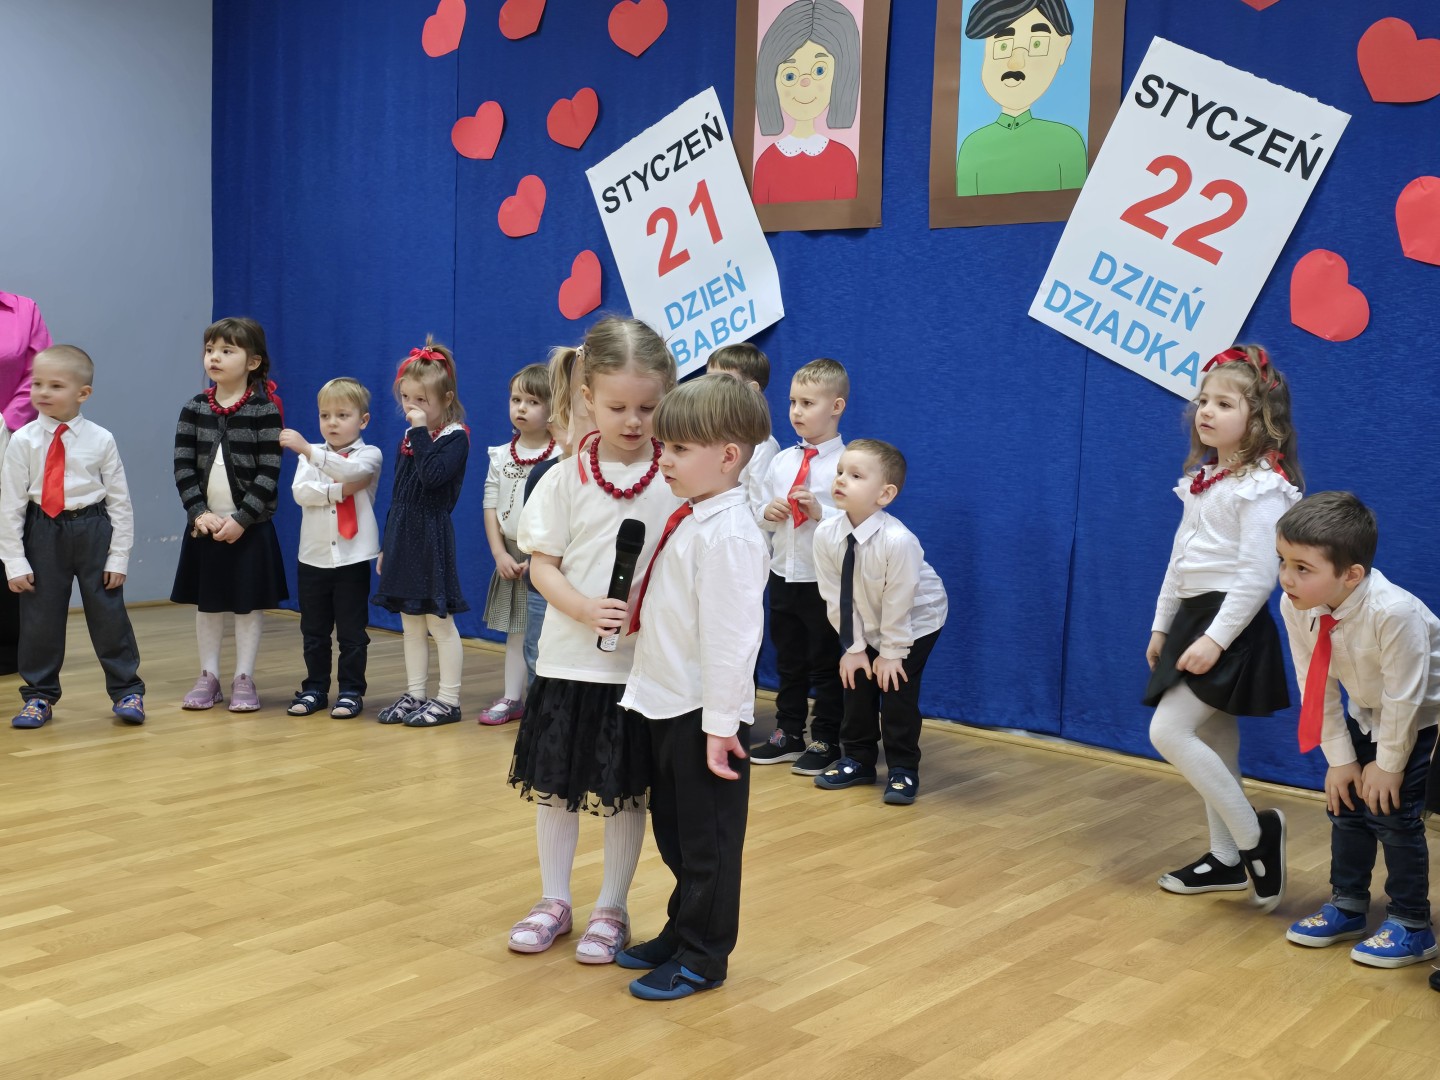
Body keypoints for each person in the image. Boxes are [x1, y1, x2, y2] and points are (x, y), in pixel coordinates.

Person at [507, 315, 681, 963]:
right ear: (587, 399)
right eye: (617, 407)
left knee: (623, 792)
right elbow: (542, 566)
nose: (633, 421)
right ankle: (554, 898)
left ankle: (612, 906)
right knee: (557, 786)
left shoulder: (675, 478)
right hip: (567, 661)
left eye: (647, 408)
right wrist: (582, 607)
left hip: (639, 671)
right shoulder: (564, 478)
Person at [615, 374, 771, 1000]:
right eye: (666, 447)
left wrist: (721, 728)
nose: (666, 460)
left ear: (728, 456)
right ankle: (683, 930)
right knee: (677, 833)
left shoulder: (731, 535)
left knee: (708, 842)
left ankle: (704, 956)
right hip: (667, 700)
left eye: (679, 449)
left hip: (704, 716)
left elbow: (732, 643)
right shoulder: (694, 518)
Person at [1144, 345, 1302, 913]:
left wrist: (1215, 639)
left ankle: (1256, 837)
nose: (1205, 411)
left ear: (1260, 419)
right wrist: (1163, 625)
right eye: (1203, 401)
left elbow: (1258, 575)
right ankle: (1226, 859)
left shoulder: (1263, 486)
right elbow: (1179, 561)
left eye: (1224, 403)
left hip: (1228, 623)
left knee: (1169, 732)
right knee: (1215, 741)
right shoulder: (1205, 480)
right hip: (1193, 617)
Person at [1276, 492, 1440, 971]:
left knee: (1392, 813)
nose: (1286, 577)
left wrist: (1387, 767)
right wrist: (1341, 759)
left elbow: (1405, 699)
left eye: (1302, 568)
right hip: (1368, 712)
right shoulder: (1298, 604)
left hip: (1422, 720)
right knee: (1345, 804)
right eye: (1282, 561)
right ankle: (1348, 905)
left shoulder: (1394, 612)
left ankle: (1412, 923)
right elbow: (1314, 683)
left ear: (1351, 574)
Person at [0, 345, 143, 728]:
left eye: (55, 385)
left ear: (83, 393)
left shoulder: (101, 439)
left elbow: (120, 502)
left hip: (93, 529)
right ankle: (39, 695)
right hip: (42, 531)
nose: (42, 392)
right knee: (40, 620)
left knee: (108, 616)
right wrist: (14, 561)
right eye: (37, 384)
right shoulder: (22, 440)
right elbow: (10, 505)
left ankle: (127, 690)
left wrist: (118, 556)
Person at [812, 440, 948, 805]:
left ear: (885, 494)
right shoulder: (826, 534)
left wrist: (891, 653)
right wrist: (854, 648)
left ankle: (903, 767)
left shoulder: (898, 541)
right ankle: (858, 759)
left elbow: (899, 603)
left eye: (856, 476)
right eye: (840, 471)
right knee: (856, 681)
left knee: (896, 690)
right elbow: (836, 596)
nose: (841, 479)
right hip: (866, 615)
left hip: (915, 621)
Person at [171, 317, 289, 711]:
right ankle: (208, 676)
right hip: (205, 526)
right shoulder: (193, 408)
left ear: (253, 362)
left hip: (249, 528)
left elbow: (269, 472)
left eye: (226, 350)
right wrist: (198, 513)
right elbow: (183, 467)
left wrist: (242, 519)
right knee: (208, 605)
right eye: (210, 350)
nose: (214, 358)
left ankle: (244, 677)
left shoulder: (264, 410)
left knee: (247, 606)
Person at [750, 358, 847, 776]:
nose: (796, 411)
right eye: (792, 402)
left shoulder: (847, 462)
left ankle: (826, 737)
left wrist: (822, 512)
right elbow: (759, 511)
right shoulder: (783, 461)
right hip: (782, 572)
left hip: (822, 579)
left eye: (808, 403)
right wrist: (766, 512)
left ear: (836, 407)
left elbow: (859, 522)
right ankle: (788, 733)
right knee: (787, 659)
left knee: (825, 662)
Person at [372, 339, 471, 728]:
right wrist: (387, 543)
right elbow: (398, 492)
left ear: (446, 399)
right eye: (406, 398)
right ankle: (415, 693)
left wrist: (418, 432)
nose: (411, 407)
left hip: (430, 536)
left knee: (438, 623)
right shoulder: (410, 437)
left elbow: (432, 477)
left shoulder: (455, 437)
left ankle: (449, 700)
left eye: (421, 400)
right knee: (410, 622)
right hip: (403, 533)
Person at [279, 378, 382, 719]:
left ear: (363, 420)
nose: (332, 423)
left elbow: (353, 471)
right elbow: (301, 493)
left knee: (352, 632)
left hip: (353, 558)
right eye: (325, 415)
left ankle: (351, 691)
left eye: (342, 415)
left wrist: (310, 452)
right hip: (313, 557)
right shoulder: (310, 454)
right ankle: (315, 688)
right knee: (314, 630)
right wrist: (339, 491)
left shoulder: (369, 454)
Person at [478, 362, 555, 726]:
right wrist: (499, 554)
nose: (521, 408)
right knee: (517, 629)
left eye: (533, 402)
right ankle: (513, 697)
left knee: (547, 633)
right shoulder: (500, 454)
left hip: (547, 556)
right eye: (516, 399)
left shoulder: (561, 455)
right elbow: (490, 504)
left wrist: (539, 555)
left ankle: (547, 702)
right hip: (511, 555)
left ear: (554, 408)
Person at [955, 0, 1087, 196]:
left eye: (1036, 44)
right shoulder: (971, 147)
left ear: (1063, 47)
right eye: (1003, 46)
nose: (1015, 63)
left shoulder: (1068, 142)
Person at [752, 0, 861, 204]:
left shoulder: (844, 159)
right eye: (790, 75)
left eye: (819, 70)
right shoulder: (765, 163)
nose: (805, 83)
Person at [0, 291, 50, 674]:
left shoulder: (23, 309)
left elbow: (39, 374)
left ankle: (9, 645)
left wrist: (5, 422)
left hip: (11, 437)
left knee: (9, 531)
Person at [707, 343, 780, 521]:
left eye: (723, 381)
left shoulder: (762, 445)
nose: (710, 388)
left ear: (752, 389)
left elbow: (762, 511)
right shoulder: (707, 434)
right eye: (708, 380)